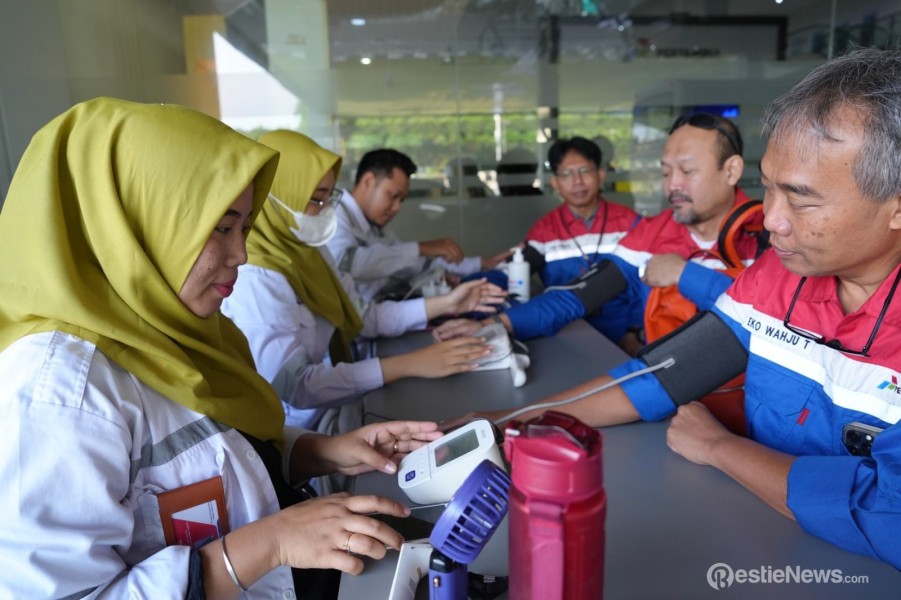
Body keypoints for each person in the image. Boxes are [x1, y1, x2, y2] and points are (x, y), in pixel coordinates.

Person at [465, 47, 901, 569]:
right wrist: (505, 420)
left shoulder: (763, 250)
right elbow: (665, 374)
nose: (772, 220)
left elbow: (888, 515)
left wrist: (721, 448)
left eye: (802, 199)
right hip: (755, 544)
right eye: (769, 189)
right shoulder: (779, 275)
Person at [0, 97, 443, 599]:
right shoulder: (57, 392)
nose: (241, 254)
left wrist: (321, 452)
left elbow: (214, 449)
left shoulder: (177, 325)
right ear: (137, 222)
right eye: (222, 228)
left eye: (245, 227)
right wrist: (271, 543)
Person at [222, 130, 504, 433]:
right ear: (275, 195)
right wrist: (411, 364)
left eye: (329, 198)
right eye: (316, 199)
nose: (326, 210)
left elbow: (363, 316)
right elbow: (299, 386)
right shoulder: (256, 277)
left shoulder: (308, 252)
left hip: (332, 410)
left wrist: (448, 303)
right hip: (295, 432)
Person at [435, 119, 761, 360]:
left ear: (731, 171)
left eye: (687, 171)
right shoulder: (651, 233)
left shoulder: (770, 234)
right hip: (668, 383)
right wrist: (497, 322)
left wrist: (683, 274)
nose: (673, 185)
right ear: (555, 183)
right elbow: (576, 296)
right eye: (665, 172)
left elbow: (765, 321)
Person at [436, 136, 643, 351]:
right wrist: (466, 286)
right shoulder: (545, 230)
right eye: (567, 174)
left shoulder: (630, 224)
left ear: (600, 175)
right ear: (555, 182)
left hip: (622, 334)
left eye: (584, 171)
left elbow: (645, 284)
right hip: (566, 331)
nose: (577, 181)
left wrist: (635, 330)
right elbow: (511, 272)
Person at [326, 148, 511, 303]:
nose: (397, 207)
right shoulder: (333, 216)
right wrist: (421, 248)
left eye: (402, 200)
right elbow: (349, 265)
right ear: (368, 182)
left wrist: (480, 264)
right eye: (393, 196)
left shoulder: (374, 224)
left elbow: (410, 265)